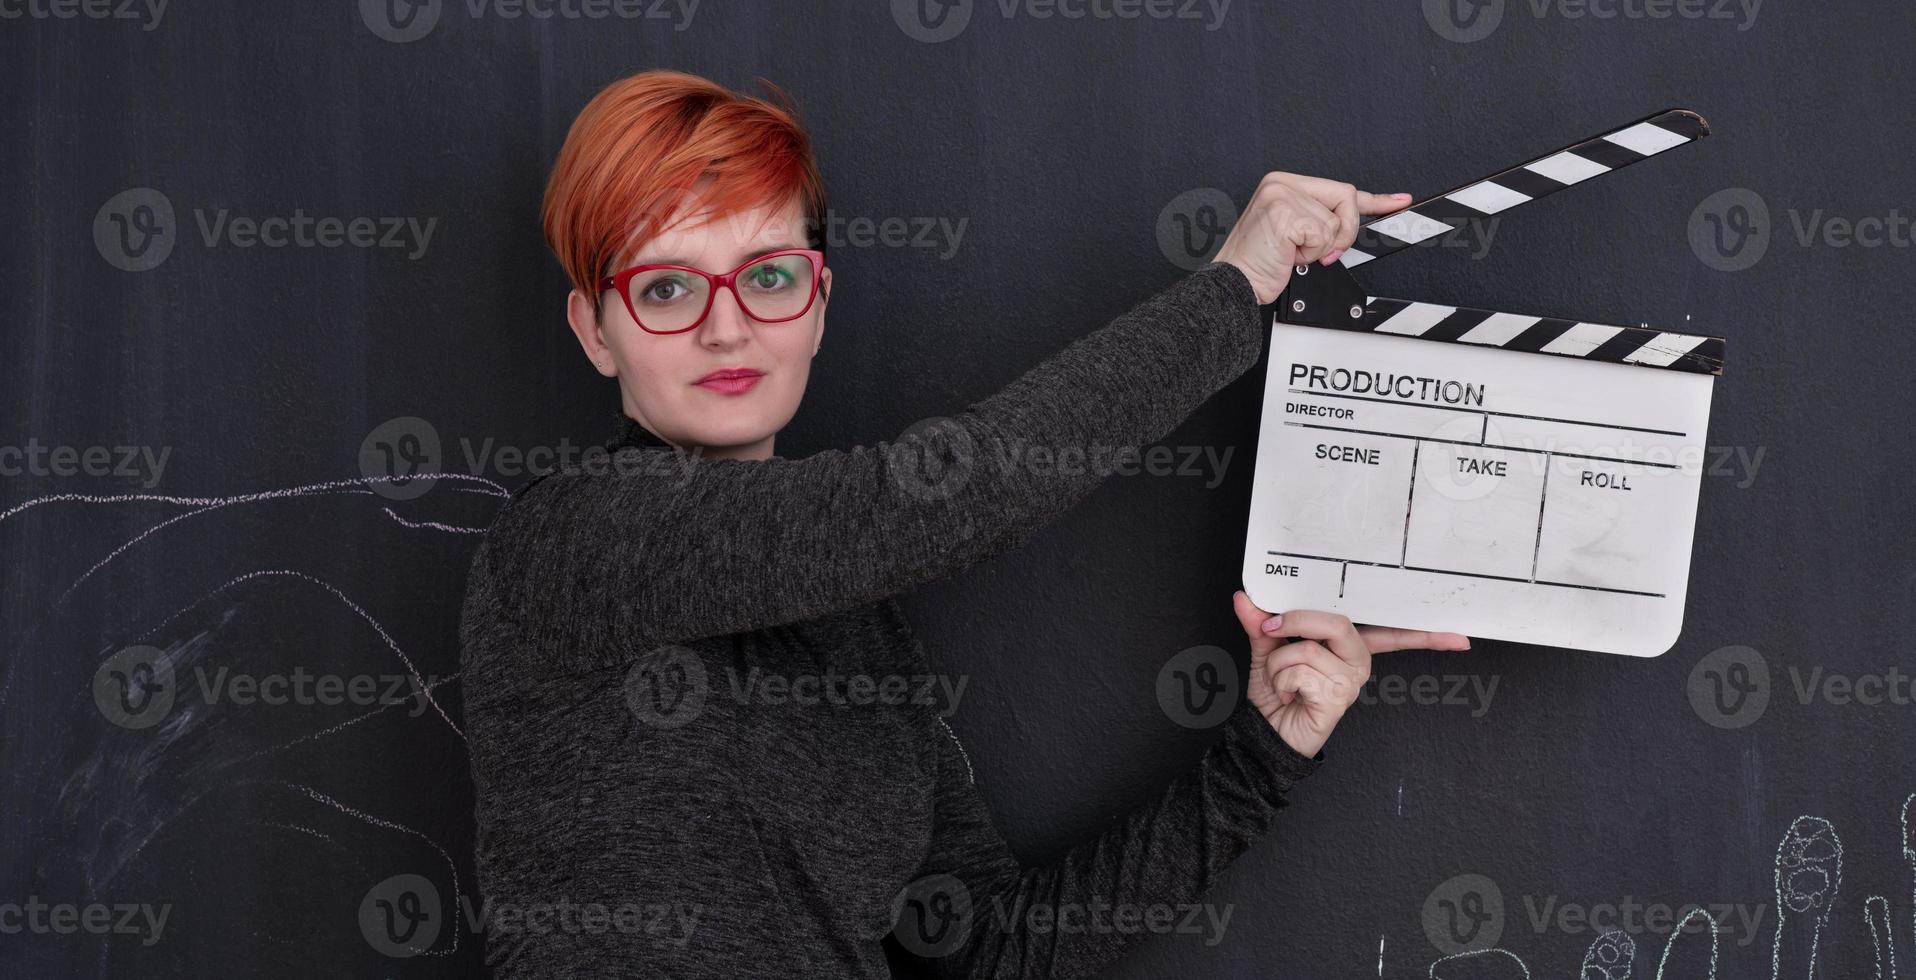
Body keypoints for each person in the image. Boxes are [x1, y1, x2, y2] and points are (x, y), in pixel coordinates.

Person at [458, 68, 1471, 978]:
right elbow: (939, 497)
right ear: (596, 331)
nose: (727, 326)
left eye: (767, 275)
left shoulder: (862, 639)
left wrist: (1261, 753)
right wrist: (1235, 289)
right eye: (667, 286)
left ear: (816, 302)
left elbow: (986, 946)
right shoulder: (570, 544)